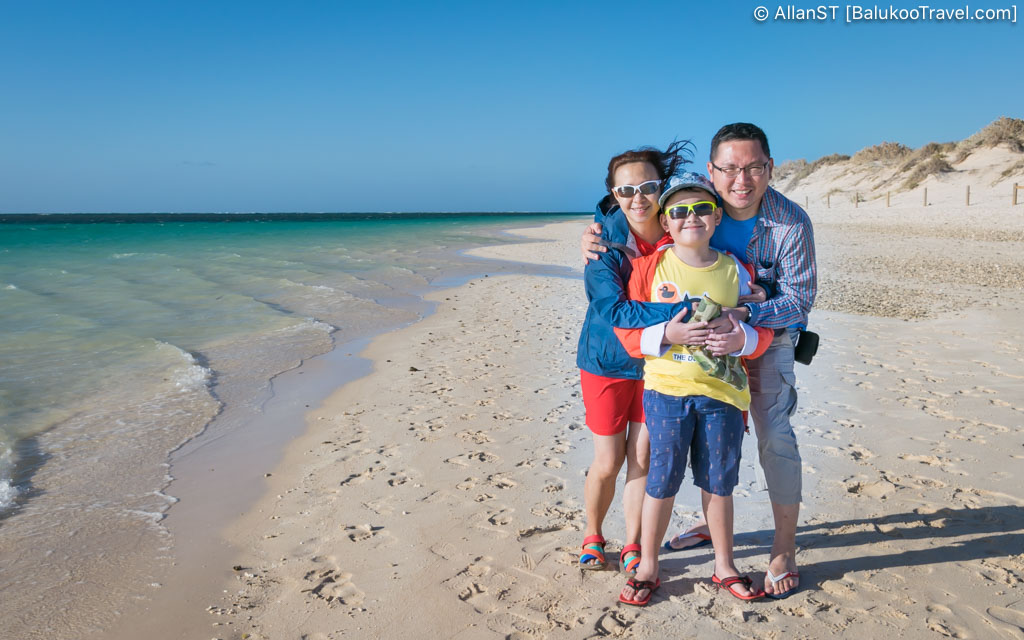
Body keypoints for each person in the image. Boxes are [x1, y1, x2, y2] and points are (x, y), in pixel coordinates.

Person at [581, 124, 817, 600]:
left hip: (755, 341)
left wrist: (748, 316)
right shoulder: (667, 219)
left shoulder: (788, 223)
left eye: (753, 167)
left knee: (765, 439)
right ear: (713, 172)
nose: (741, 179)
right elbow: (632, 224)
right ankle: (640, 548)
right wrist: (684, 317)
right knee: (651, 460)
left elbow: (799, 298)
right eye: (729, 168)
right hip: (666, 363)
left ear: (770, 168)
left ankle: (781, 549)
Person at [613, 173, 774, 606]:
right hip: (666, 391)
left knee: (719, 482)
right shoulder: (650, 268)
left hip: (722, 395)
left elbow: (763, 328)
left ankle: (725, 564)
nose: (691, 217)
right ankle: (648, 564)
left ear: (718, 216)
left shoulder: (735, 269)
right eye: (679, 211)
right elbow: (627, 328)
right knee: (661, 479)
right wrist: (670, 334)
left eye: (702, 209)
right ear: (665, 222)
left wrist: (742, 336)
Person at [576, 142, 693, 576]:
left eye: (647, 187)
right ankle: (592, 533)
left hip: (658, 362)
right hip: (604, 361)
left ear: (661, 188)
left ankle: (632, 543)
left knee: (642, 457)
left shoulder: (679, 231)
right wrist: (685, 310)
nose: (637, 198)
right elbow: (614, 309)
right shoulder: (602, 244)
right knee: (608, 460)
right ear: (613, 195)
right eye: (626, 191)